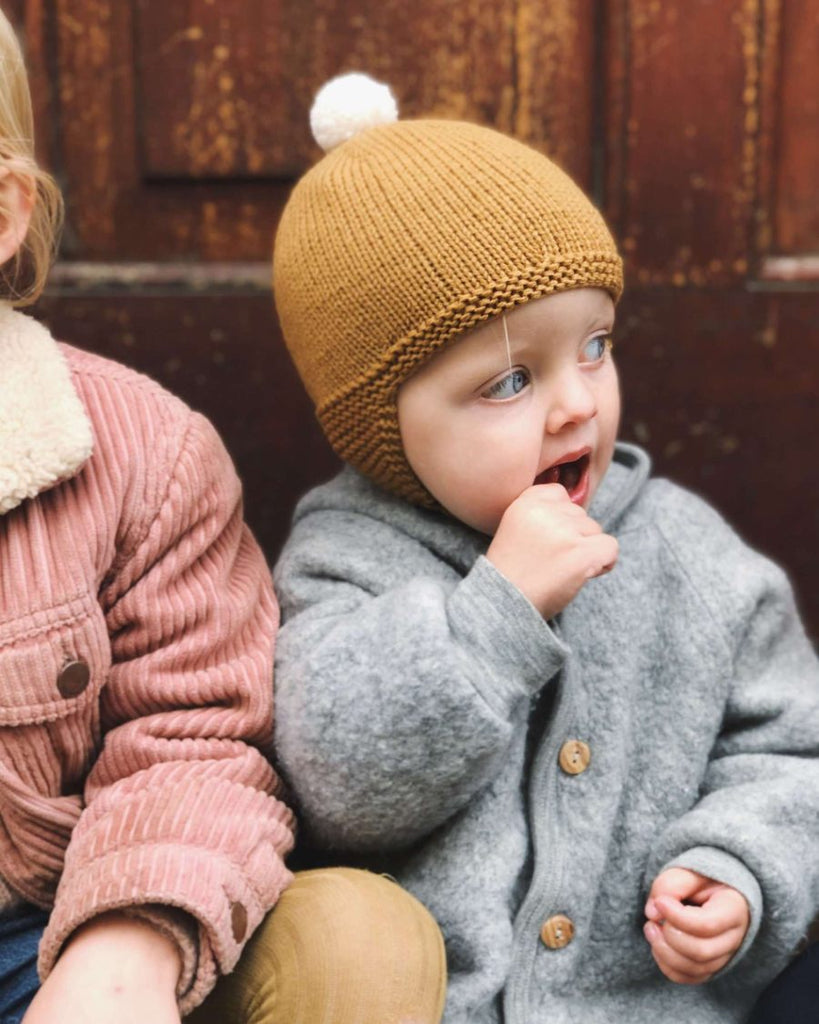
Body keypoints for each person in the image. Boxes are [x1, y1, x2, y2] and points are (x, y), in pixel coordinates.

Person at [268, 73, 819, 1023]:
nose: (576, 403)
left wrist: (738, 863)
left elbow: (791, 747)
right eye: (511, 379)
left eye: (596, 346)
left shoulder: (682, 546)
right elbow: (337, 785)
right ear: (379, 427)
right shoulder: (345, 557)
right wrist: (497, 614)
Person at [0, 11, 298, 1022]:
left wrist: (122, 942)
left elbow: (193, 734)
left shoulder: (141, 457)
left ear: (1, 213)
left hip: (32, 938)